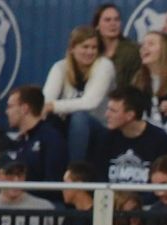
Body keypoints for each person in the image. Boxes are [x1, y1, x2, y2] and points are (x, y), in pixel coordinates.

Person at [43, 25, 116, 163]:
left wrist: (52, 106)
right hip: (68, 127)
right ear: (72, 48)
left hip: (101, 128)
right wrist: (47, 107)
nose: (90, 52)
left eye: (94, 47)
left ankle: (75, 173)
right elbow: (46, 100)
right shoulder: (60, 67)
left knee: (79, 118)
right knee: (48, 121)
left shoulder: (105, 66)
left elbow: (90, 103)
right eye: (85, 47)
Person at [93, 86, 167, 187]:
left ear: (130, 115)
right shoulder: (105, 138)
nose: (107, 114)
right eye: (108, 109)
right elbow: (100, 177)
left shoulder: (160, 140)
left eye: (113, 111)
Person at [5, 85, 68, 189]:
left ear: (25, 108)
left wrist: (22, 193)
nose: (7, 112)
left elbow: (54, 185)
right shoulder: (19, 141)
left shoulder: (52, 139)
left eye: (10, 106)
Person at [92, 4, 140, 90]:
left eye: (116, 19)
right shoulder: (92, 51)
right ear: (97, 25)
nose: (113, 23)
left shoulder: (132, 51)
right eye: (107, 20)